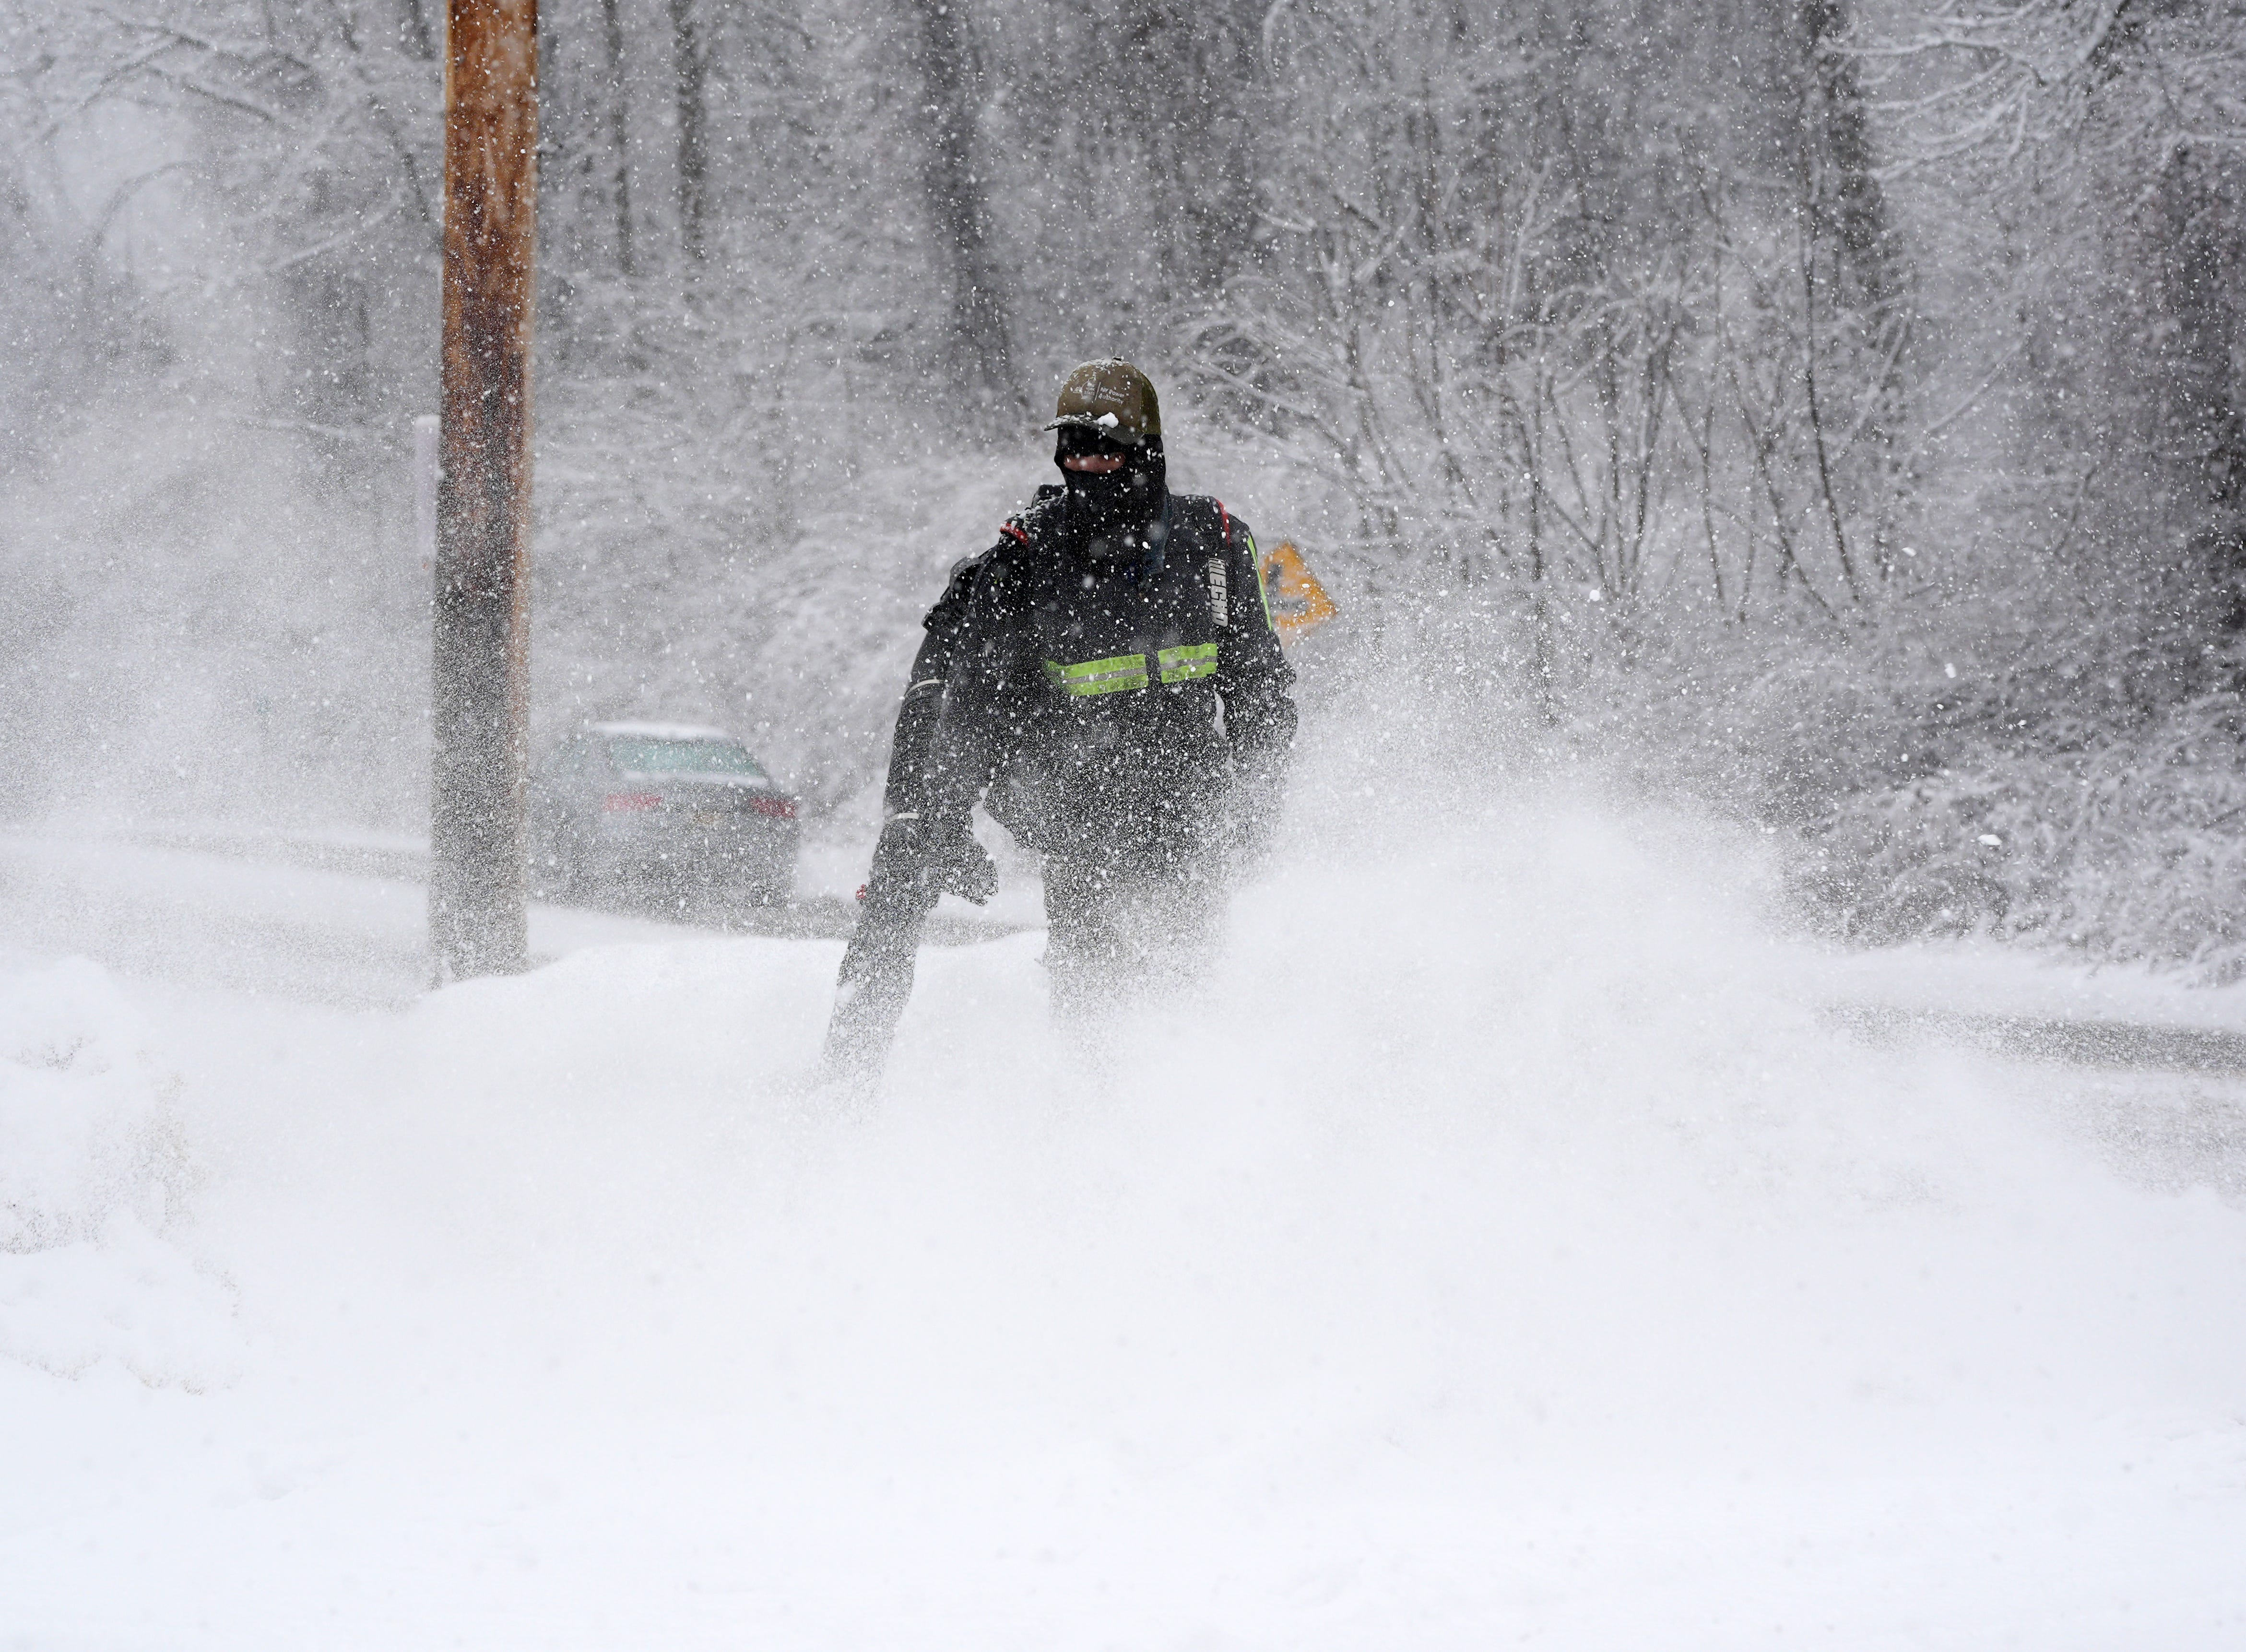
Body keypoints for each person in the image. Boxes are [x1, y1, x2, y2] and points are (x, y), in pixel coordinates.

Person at [819, 358, 1297, 1082]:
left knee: (1190, 1004)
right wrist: (945, 820)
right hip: (1083, 828)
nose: (1088, 464)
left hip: (1193, 819)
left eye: (1105, 448)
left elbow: (1260, 687)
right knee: (1096, 1014)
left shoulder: (1216, 543)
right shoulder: (1028, 560)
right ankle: (1091, 1134)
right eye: (1073, 449)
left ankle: (1196, 1133)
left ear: (1146, 451)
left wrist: (1259, 799)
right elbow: (971, 710)